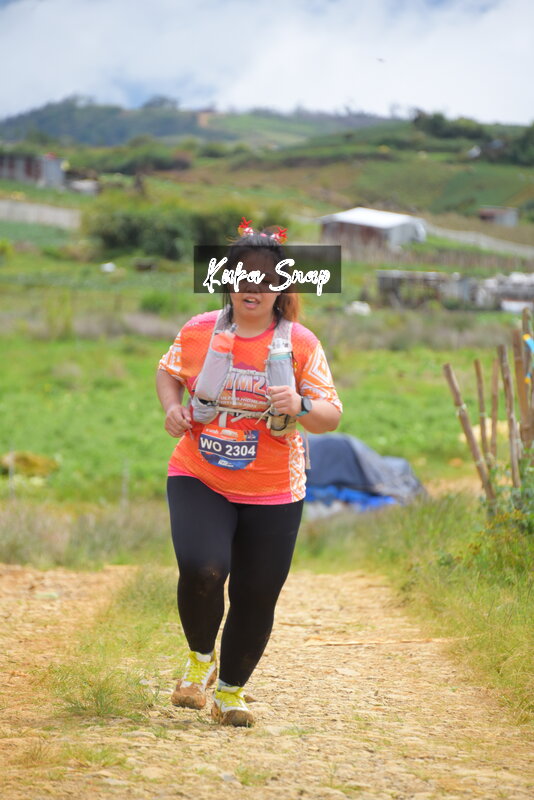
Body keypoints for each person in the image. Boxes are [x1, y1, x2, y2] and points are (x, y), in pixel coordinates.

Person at [156, 220, 342, 727]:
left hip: (274, 488)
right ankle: (200, 661)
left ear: (282, 286)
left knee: (256, 595)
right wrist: (172, 407)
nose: (252, 286)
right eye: (242, 275)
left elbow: (330, 416)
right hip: (199, 473)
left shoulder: (301, 343)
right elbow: (168, 371)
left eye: (266, 277)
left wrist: (300, 404)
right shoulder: (200, 330)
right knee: (203, 568)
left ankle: (231, 693)